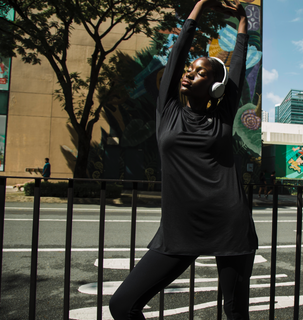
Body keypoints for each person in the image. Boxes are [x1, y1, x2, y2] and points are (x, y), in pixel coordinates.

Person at [109, 1, 258, 319]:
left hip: (229, 224)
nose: (189, 74)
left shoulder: (223, 116)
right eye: (189, 70)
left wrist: (243, 22)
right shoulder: (168, 110)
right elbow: (177, 54)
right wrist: (201, 4)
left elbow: (238, 66)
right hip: (179, 230)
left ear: (216, 87)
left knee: (235, 314)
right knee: (122, 305)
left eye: (200, 72)